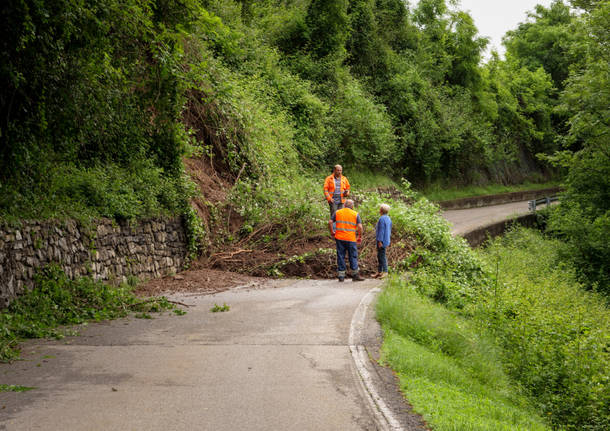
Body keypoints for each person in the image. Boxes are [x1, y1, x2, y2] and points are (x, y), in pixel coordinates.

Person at [328, 199, 365, 282]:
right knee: (353, 256)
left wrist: (332, 232)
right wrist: (360, 236)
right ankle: (355, 275)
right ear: (352, 206)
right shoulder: (355, 214)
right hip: (351, 238)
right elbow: (360, 227)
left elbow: (330, 222)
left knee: (340, 256)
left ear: (344, 205)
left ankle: (341, 276)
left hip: (339, 238)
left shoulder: (337, 212)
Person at [373, 204, 392, 279]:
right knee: (380, 255)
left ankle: (385, 271)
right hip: (386, 239)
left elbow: (381, 231)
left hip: (381, 240)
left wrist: (379, 241)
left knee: (382, 256)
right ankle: (379, 271)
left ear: (381, 210)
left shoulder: (381, 219)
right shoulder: (388, 218)